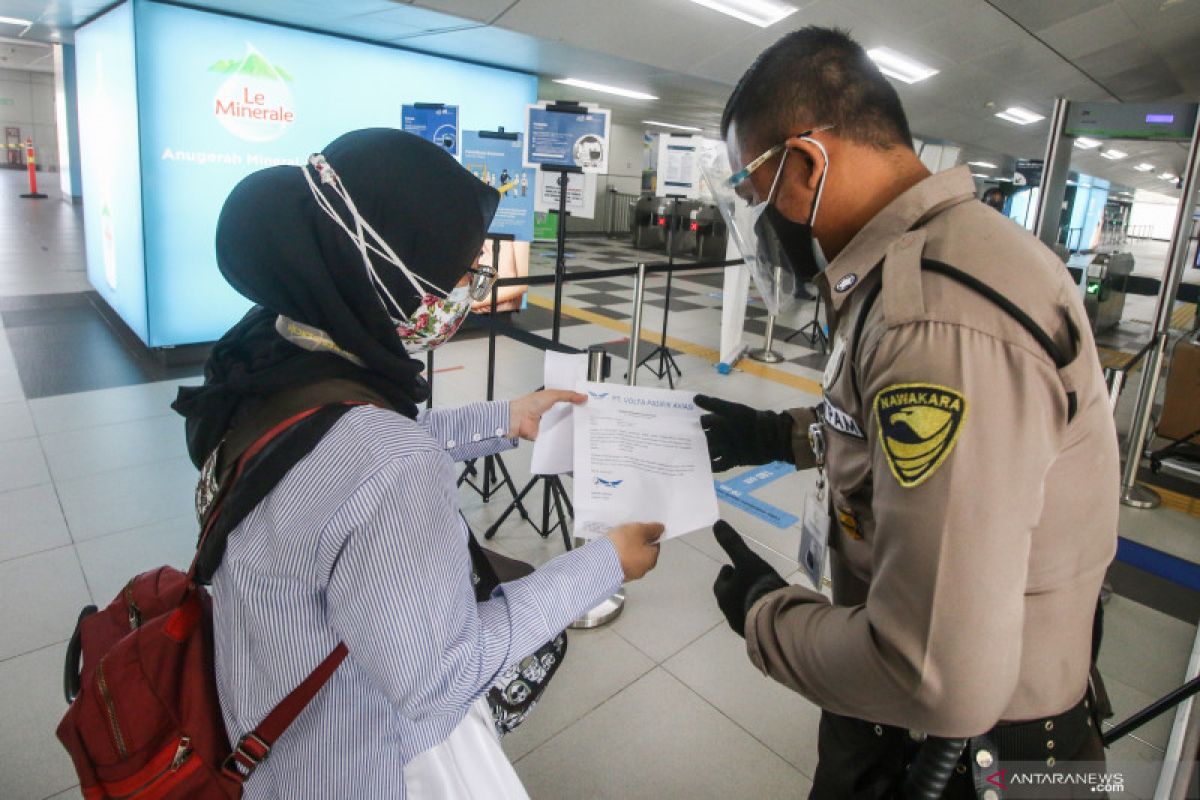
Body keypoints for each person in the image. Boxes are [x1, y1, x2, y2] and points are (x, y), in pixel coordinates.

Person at [172, 128, 663, 799]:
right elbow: (445, 678)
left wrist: (503, 418)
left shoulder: (267, 354)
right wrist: (607, 561)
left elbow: (336, 447)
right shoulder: (385, 461)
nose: (468, 289)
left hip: (259, 720)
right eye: (460, 271)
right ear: (389, 269)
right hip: (346, 765)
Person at [696, 28, 1118, 799]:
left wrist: (767, 616)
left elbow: (934, 673)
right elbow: (891, 442)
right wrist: (780, 435)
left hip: (966, 761)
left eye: (757, 196)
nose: (760, 221)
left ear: (808, 163)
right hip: (930, 739)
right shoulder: (918, 263)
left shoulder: (937, 321)